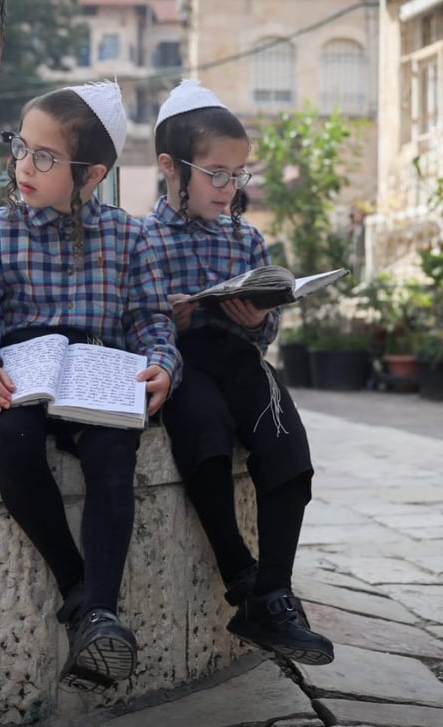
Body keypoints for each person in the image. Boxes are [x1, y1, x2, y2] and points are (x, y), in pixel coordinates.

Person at [0, 81, 180, 691]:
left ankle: (97, 605)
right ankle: (85, 597)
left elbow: (151, 320)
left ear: (91, 175)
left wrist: (161, 362)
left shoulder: (133, 238)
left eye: (45, 159)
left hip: (97, 373)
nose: (24, 166)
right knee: (14, 442)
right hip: (21, 372)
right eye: (21, 148)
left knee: (111, 455)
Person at [140, 79, 334, 665]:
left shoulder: (246, 238)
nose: (231, 188)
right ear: (172, 169)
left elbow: (266, 331)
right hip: (181, 363)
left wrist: (256, 317)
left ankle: (275, 592)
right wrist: (167, 317)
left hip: (239, 359)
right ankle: (243, 580)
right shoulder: (139, 239)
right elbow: (130, 323)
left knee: (285, 441)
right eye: (217, 174)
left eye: (239, 174)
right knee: (201, 429)